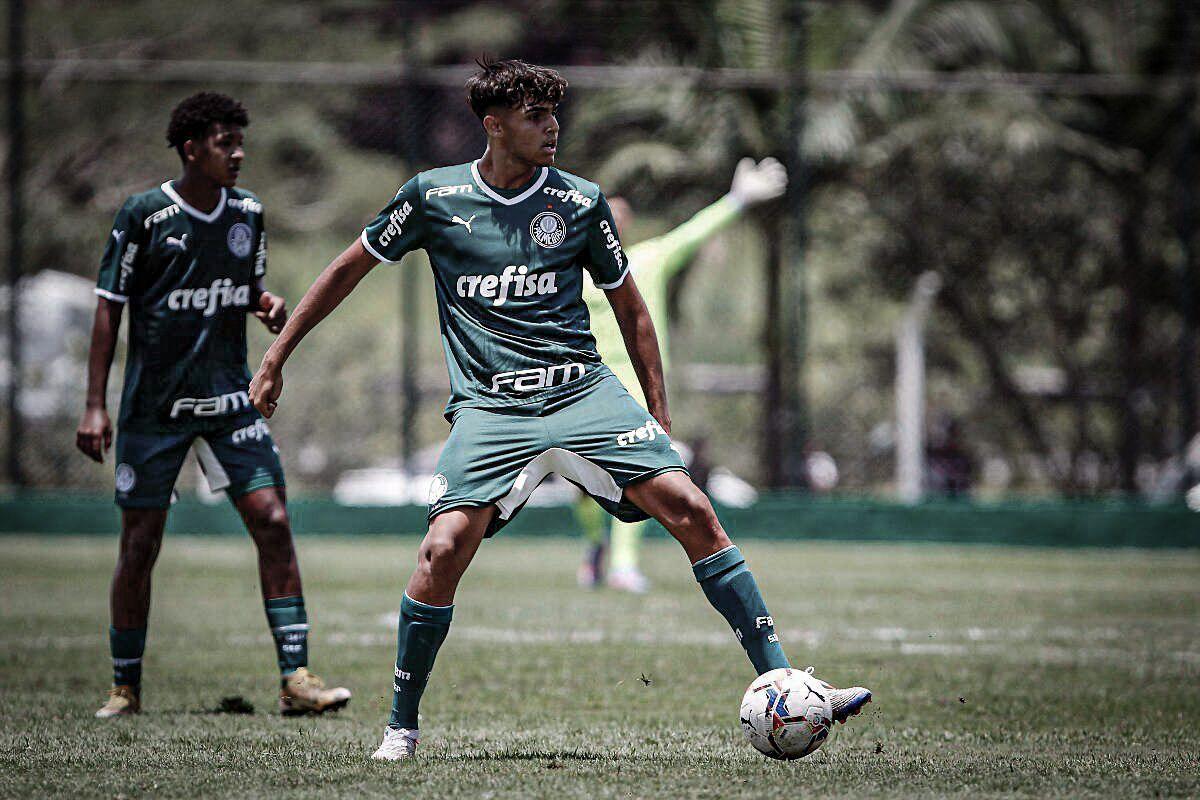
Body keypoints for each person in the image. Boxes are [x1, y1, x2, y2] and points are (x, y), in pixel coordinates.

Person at [248, 59, 871, 761]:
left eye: (554, 114)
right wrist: (275, 358)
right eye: (535, 116)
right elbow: (344, 271)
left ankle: (785, 683)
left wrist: (657, 416)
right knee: (441, 549)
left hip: (584, 394)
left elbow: (631, 309)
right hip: (491, 409)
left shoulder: (578, 201)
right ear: (494, 125)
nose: (552, 128)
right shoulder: (431, 196)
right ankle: (401, 726)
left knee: (692, 509)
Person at [76, 92, 350, 719]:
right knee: (140, 543)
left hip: (229, 401)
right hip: (155, 410)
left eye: (239, 141)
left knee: (274, 523)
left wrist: (263, 303)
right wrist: (95, 405)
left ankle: (296, 679)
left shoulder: (248, 213)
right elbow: (107, 307)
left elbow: (242, 284)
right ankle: (125, 686)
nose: (238, 153)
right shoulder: (143, 215)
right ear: (190, 147)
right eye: (225, 142)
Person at [576, 158, 788, 593]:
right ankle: (598, 545)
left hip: (634, 395)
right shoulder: (567, 277)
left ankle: (622, 565)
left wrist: (737, 199)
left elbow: (692, 233)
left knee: (639, 478)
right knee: (584, 488)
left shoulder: (646, 261)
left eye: (618, 220)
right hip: (581, 395)